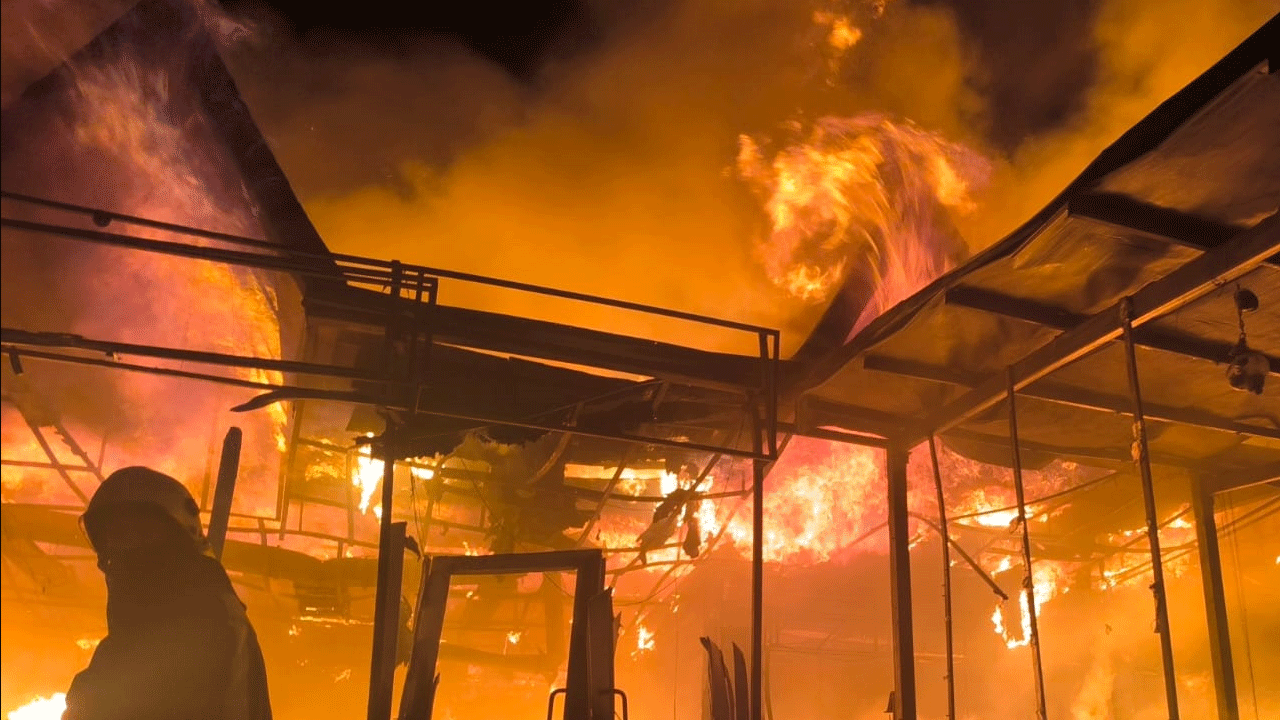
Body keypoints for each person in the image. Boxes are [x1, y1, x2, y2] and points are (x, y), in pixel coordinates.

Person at [62, 466, 272, 720]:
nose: (117, 553)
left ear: (171, 538)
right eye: (111, 541)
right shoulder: (171, 619)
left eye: (132, 534)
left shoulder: (199, 619)